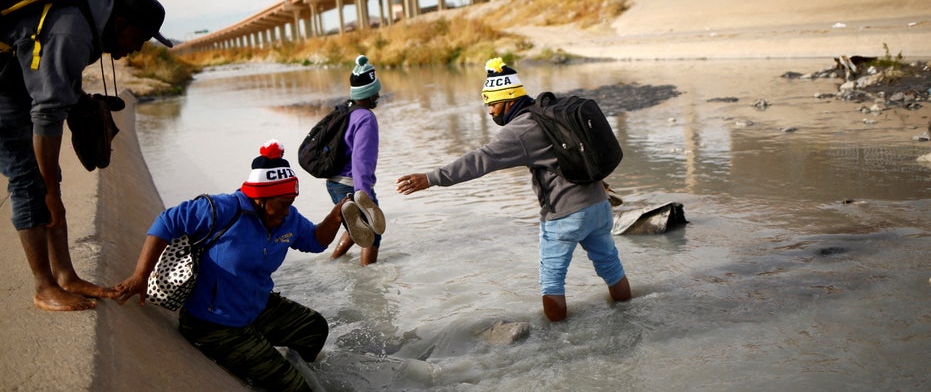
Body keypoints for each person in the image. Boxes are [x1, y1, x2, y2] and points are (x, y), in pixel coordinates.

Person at [113, 139, 377, 392]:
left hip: (256, 308)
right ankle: (265, 369)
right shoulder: (222, 210)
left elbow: (316, 241)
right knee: (295, 387)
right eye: (283, 204)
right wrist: (140, 275)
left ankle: (280, 364)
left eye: (291, 203)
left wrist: (335, 214)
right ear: (261, 198)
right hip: (214, 325)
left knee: (314, 329)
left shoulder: (288, 220)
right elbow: (166, 222)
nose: (288, 211)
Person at [397, 57, 631, 321]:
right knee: (611, 267)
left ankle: (558, 342)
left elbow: (480, 160)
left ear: (509, 100)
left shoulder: (520, 130)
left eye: (493, 104)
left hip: (566, 216)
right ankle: (628, 316)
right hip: (599, 204)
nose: (490, 112)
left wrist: (431, 178)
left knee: (552, 282)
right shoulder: (550, 111)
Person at [0, 0, 174, 311]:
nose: (137, 48)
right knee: (28, 178)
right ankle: (44, 286)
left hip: (9, 68)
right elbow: (47, 115)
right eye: (137, 38)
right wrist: (50, 191)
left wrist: (79, 103)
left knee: (47, 181)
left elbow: (47, 72)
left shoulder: (95, 6)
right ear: (120, 21)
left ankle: (65, 276)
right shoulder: (73, 31)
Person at [328, 55, 386, 266]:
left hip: (335, 183)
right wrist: (365, 198)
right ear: (369, 93)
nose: (378, 95)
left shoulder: (347, 112)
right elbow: (361, 161)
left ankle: (332, 262)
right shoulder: (366, 118)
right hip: (353, 185)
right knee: (372, 231)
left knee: (357, 228)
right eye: (375, 91)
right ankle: (368, 280)